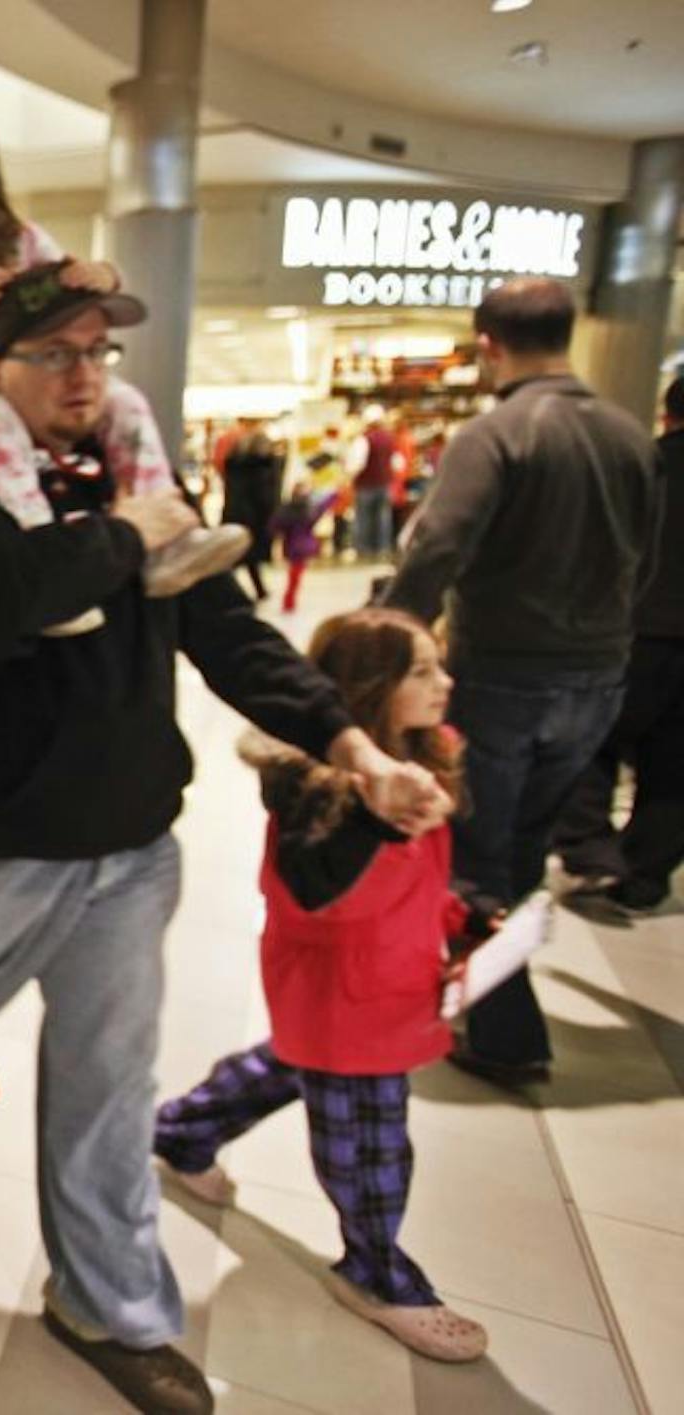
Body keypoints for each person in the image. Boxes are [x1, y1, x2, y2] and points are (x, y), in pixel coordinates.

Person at [0, 262, 449, 1415]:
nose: (85, 374)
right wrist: (127, 532)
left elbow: (225, 627)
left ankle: (111, 1304)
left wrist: (350, 742)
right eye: (57, 354)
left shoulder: (139, 473)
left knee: (112, 1088)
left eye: (99, 352)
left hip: (128, 849)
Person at [154, 609, 497, 1364]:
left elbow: (420, 875)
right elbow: (314, 888)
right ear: (369, 686)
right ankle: (376, 1270)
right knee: (369, 1141)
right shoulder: (318, 789)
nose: (445, 683)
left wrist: (461, 914)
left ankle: (181, 1129)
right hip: (348, 989)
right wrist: (381, 821)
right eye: (421, 671)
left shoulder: (422, 758)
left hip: (382, 981)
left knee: (290, 1061)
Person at [385, 278, 658, 1088]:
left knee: (474, 852)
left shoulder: (497, 433)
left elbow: (437, 547)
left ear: (487, 345)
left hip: (504, 677)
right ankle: (495, 996)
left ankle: (503, 1029)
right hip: (598, 677)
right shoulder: (627, 434)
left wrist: (392, 637)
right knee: (524, 847)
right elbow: (646, 557)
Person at [0, 121, 247, 637]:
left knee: (127, 401)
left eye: (94, 352)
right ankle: (42, 540)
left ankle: (171, 542)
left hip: (14, 376)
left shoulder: (18, 241)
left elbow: (64, 280)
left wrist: (100, 277)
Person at [555, 373, 684, 922]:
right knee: (675, 767)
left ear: (666, 413)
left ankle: (593, 850)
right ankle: (643, 874)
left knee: (588, 739)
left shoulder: (641, 466)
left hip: (629, 634)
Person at [219, 425, 282, 602]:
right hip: (254, 519)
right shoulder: (263, 468)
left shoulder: (233, 465)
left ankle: (253, 590)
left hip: (233, 515)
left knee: (237, 556)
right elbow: (265, 498)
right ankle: (237, 590)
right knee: (247, 556)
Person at [269, 475, 332, 614]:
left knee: (294, 575)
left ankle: (289, 601)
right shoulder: (307, 509)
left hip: (292, 545)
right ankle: (289, 601)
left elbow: (275, 526)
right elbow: (321, 508)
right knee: (295, 575)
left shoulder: (287, 509)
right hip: (301, 546)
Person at [346, 406, 399, 561]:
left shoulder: (364, 439)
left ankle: (363, 550)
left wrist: (349, 477)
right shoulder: (390, 438)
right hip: (385, 484)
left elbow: (358, 464)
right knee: (384, 519)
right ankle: (383, 549)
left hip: (365, 485)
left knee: (363, 518)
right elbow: (397, 463)